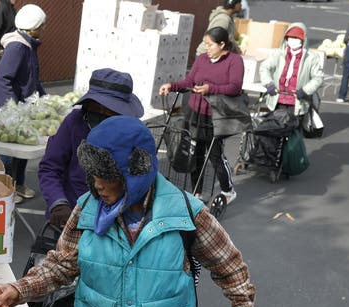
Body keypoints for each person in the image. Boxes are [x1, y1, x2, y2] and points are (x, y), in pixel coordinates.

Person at [0, 116, 265, 307]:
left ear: (137, 171)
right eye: (94, 175)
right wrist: (19, 289)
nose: (98, 185)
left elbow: (229, 264)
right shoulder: (87, 209)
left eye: (108, 176)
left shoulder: (186, 212)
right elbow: (62, 264)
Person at [38, 68, 144, 227]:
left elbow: (142, 177)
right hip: (72, 213)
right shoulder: (74, 123)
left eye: (109, 110)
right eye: (97, 107)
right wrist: (58, 203)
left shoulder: (133, 132)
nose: (101, 112)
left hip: (116, 217)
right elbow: (50, 167)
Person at [159, 27, 243, 203]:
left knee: (215, 154)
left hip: (216, 115)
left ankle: (228, 190)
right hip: (195, 112)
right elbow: (189, 81)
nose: (207, 48)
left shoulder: (234, 61)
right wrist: (172, 86)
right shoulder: (202, 59)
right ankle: (197, 191)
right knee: (195, 153)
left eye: (210, 45)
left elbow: (235, 87)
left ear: (222, 44)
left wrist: (210, 88)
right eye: (205, 44)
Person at [0, 4, 47, 203]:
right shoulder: (17, 47)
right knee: (6, 152)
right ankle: (4, 190)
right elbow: (3, 78)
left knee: (22, 150)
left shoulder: (29, 45)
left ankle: (18, 184)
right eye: (42, 25)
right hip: (7, 109)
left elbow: (33, 79)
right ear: (33, 27)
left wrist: (45, 99)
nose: (44, 28)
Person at [259, 23, 325, 116]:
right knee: (275, 123)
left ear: (303, 40)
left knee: (293, 124)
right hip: (277, 100)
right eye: (290, 37)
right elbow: (264, 67)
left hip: (298, 103)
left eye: (297, 38)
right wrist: (268, 83)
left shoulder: (311, 58)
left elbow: (318, 78)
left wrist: (305, 90)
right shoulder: (278, 54)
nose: (293, 40)